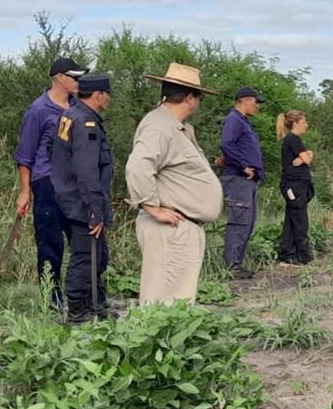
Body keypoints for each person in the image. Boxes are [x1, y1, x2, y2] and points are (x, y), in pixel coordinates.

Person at [125, 63, 223, 305]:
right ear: (189, 98)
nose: (198, 103)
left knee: (177, 302)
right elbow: (138, 167)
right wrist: (153, 207)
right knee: (164, 304)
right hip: (170, 228)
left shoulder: (175, 127)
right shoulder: (159, 127)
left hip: (180, 227)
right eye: (199, 97)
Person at [13, 56, 88, 304]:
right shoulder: (38, 110)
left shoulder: (78, 108)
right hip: (47, 183)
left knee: (82, 240)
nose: (78, 82)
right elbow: (25, 155)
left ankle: (80, 297)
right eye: (75, 77)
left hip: (75, 184)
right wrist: (25, 191)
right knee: (50, 243)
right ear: (60, 78)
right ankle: (52, 301)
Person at [50, 75, 115, 323]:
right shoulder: (85, 122)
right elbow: (87, 171)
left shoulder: (71, 114)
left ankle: (95, 303)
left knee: (98, 254)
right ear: (98, 95)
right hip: (83, 201)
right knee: (86, 256)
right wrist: (95, 209)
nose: (109, 99)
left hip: (70, 196)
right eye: (107, 94)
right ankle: (79, 310)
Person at [220, 86, 265, 279]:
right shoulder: (234, 120)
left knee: (247, 223)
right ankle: (231, 266)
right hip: (239, 179)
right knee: (239, 222)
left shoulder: (243, 122)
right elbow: (226, 143)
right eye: (255, 102)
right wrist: (242, 165)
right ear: (245, 100)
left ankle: (237, 263)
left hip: (248, 181)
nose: (257, 106)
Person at [276, 110, 315, 265]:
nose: (306, 125)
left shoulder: (293, 140)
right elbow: (307, 159)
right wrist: (307, 156)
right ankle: (303, 255)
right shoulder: (293, 139)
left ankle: (287, 252)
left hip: (297, 185)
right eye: (304, 122)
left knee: (292, 219)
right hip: (294, 186)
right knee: (300, 220)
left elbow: (306, 157)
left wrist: (307, 154)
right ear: (296, 123)